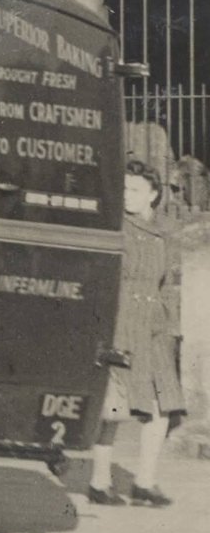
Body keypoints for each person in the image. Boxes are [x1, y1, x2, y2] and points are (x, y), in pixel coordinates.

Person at [88, 159, 186, 507]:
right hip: (121, 322)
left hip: (155, 328)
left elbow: (172, 284)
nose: (127, 196)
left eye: (135, 190)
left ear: (154, 195)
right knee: (112, 408)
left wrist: (172, 328)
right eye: (124, 189)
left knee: (161, 407)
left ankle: (144, 481)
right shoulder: (115, 229)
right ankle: (99, 483)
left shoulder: (167, 233)